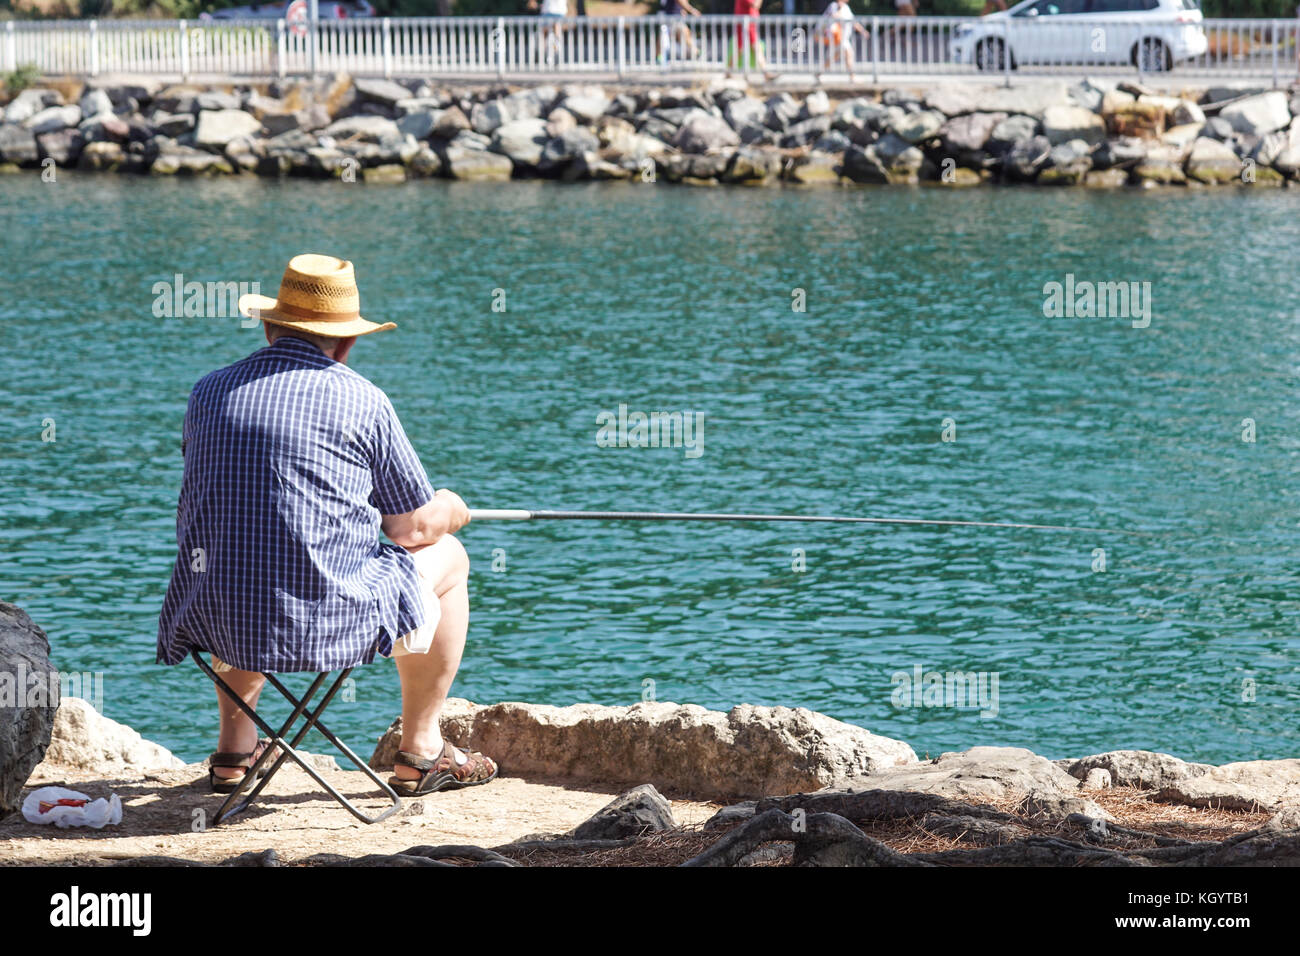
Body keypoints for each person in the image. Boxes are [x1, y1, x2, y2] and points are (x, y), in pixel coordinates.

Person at [156, 254, 498, 798]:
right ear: (346, 343)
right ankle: (422, 750)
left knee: (241, 549)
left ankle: (234, 751)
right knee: (450, 557)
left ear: (270, 327)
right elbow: (411, 529)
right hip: (323, 623)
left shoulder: (208, 391)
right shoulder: (363, 400)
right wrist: (452, 505)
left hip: (207, 611)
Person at [822, 0, 870, 83]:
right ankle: (852, 77)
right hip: (837, 37)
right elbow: (833, 16)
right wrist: (840, 9)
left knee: (834, 57)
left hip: (843, 38)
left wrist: (862, 31)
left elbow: (853, 21)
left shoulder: (846, 8)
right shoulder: (834, 6)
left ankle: (819, 73)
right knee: (849, 54)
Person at [728, 0, 775, 81]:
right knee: (750, 49)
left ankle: (728, 72)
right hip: (746, 25)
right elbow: (756, 5)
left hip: (748, 24)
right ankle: (766, 73)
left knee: (745, 49)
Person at [527, 0, 567, 66]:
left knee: (554, 32)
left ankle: (554, 52)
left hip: (557, 12)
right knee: (543, 34)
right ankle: (542, 54)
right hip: (549, 12)